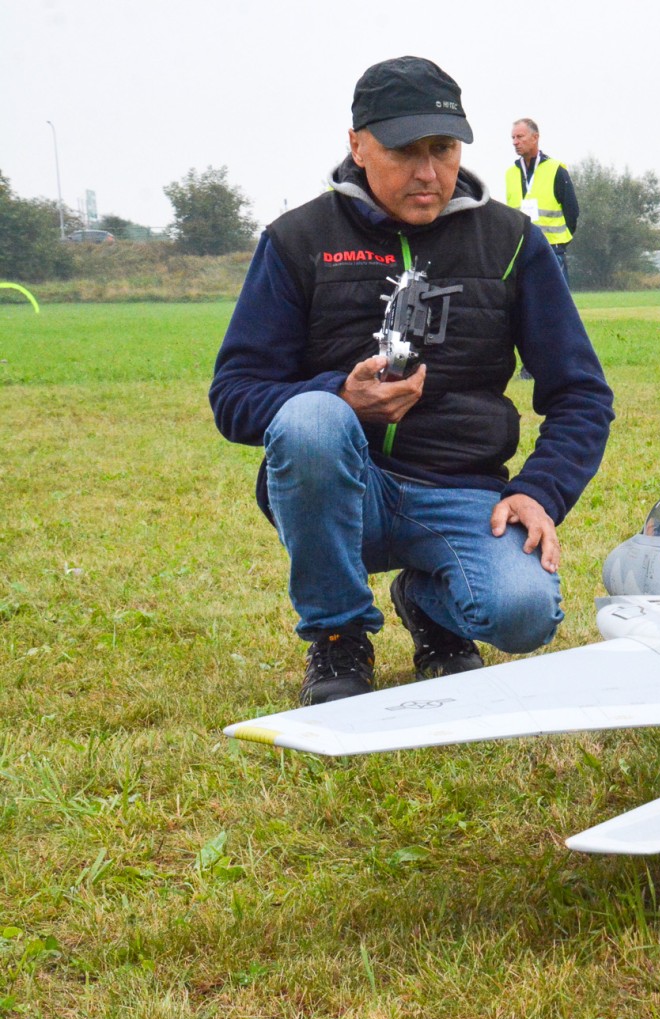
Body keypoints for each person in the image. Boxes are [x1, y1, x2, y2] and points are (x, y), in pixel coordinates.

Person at [210, 56, 614, 706]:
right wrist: (341, 397)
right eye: (405, 151)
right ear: (358, 145)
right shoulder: (296, 240)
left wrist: (542, 490)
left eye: (444, 149)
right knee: (314, 420)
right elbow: (234, 395)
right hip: (347, 496)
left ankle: (429, 605)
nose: (428, 173)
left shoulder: (513, 242)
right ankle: (339, 638)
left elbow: (581, 392)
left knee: (523, 613)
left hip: (463, 493)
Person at [505, 118, 579, 285]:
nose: (515, 142)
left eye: (520, 137)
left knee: (557, 307)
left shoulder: (555, 169)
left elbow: (572, 211)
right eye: (513, 138)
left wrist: (561, 242)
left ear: (535, 137)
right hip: (522, 252)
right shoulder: (510, 174)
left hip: (552, 250)